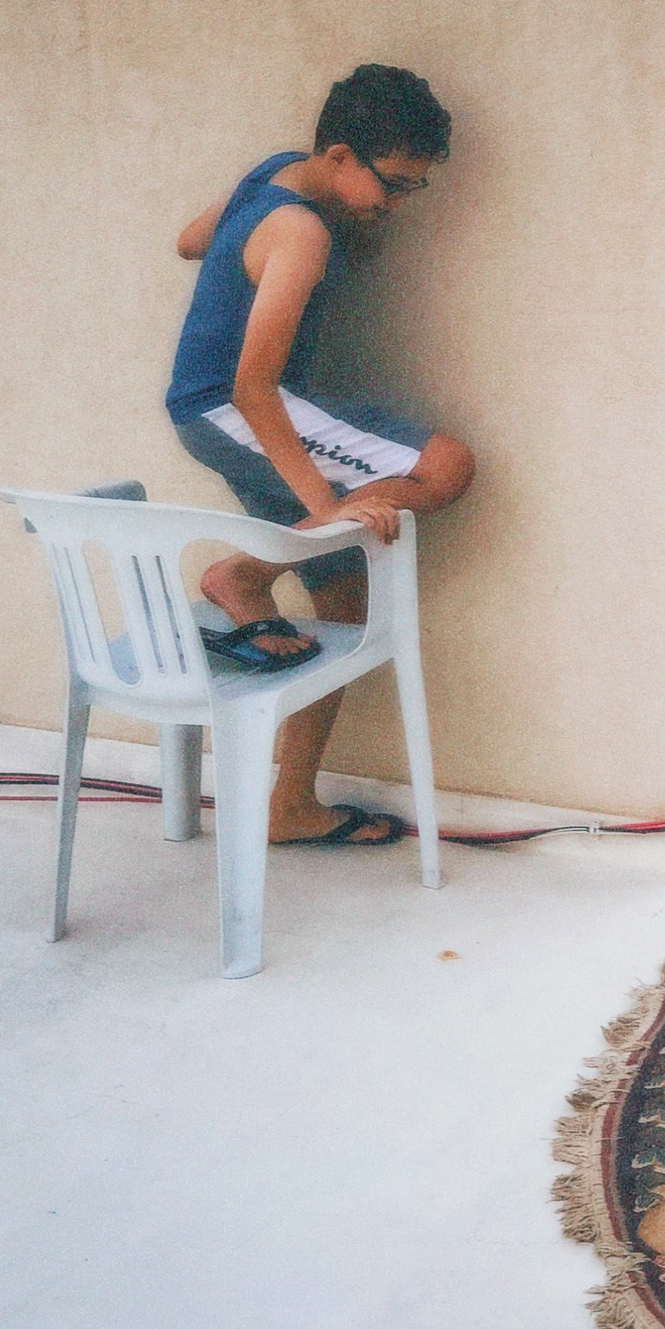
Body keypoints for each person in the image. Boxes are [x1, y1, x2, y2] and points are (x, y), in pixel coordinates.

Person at [166, 63, 475, 848]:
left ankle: (290, 805)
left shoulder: (273, 175)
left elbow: (190, 240)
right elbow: (253, 385)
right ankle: (248, 574)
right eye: (396, 185)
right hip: (232, 407)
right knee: (447, 467)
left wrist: (244, 240)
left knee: (343, 601)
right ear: (341, 156)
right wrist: (327, 506)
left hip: (224, 407)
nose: (398, 205)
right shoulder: (300, 232)